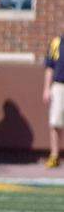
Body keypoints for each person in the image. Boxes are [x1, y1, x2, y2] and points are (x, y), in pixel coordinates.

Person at [42, 28, 64, 168]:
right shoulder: (57, 43)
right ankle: (54, 155)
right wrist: (46, 88)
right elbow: (49, 67)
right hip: (59, 86)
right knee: (55, 122)